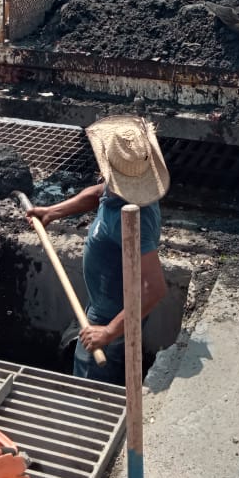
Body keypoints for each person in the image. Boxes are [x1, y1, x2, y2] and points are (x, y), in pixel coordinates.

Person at [26, 115, 169, 384]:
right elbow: (97, 193)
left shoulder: (132, 219)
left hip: (113, 318)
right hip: (105, 303)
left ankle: (89, 413)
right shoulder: (124, 188)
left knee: (91, 382)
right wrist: (52, 212)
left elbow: (155, 288)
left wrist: (108, 332)